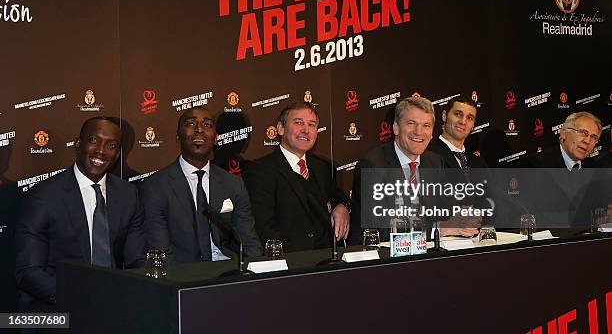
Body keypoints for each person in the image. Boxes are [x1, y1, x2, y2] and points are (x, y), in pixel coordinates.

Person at [15, 117, 145, 312]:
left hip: (113, 303)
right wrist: (83, 299)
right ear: (78, 143)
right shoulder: (44, 196)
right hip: (57, 305)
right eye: (94, 140)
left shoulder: (128, 195)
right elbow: (29, 272)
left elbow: (137, 260)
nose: (101, 150)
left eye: (111, 145)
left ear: (117, 154)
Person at [140, 107, 261, 264]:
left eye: (207, 125)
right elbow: (161, 251)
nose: (199, 130)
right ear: (178, 135)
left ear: (216, 137)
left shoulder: (233, 183)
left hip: (228, 270)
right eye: (190, 124)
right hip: (182, 274)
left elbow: (249, 242)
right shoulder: (155, 186)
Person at [242, 102, 350, 253]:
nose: (306, 130)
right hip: (291, 263)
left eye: (312, 125)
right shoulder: (261, 170)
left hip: (329, 259)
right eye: (298, 122)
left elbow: (338, 196)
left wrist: (342, 206)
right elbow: (262, 227)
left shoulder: (323, 167)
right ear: (280, 128)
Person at [349, 97, 447, 244]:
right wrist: (437, 229)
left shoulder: (434, 162)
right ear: (396, 127)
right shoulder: (372, 165)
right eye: (411, 123)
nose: (419, 132)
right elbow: (378, 229)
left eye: (426, 125)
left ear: (432, 132)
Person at [519, 111, 606, 229]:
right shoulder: (534, 166)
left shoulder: (597, 170)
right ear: (564, 133)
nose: (587, 141)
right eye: (583, 133)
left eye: (593, 137)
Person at [427, 95, 494, 234]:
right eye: (458, 114)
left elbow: (492, 199)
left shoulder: (477, 161)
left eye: (469, 118)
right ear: (445, 116)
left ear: (474, 124)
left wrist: (477, 212)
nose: (463, 122)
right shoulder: (428, 157)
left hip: (477, 238)